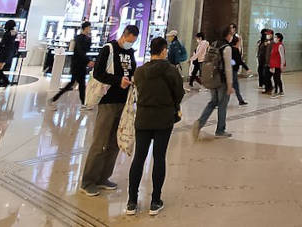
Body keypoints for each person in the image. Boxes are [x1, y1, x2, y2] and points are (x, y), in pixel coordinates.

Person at [126, 36, 184, 217]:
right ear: (164, 50)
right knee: (159, 158)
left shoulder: (140, 71)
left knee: (139, 158)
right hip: (163, 119)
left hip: (143, 118)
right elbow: (179, 93)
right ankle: (155, 200)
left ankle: (131, 202)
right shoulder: (171, 71)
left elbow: (137, 91)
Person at [80, 24, 138, 197]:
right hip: (108, 101)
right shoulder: (109, 49)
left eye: (133, 42)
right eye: (130, 40)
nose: (130, 43)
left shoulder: (130, 53)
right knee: (100, 142)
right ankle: (88, 181)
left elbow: (131, 71)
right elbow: (98, 73)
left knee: (114, 142)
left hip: (124, 103)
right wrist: (117, 80)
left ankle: (103, 177)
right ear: (124, 35)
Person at [192, 26, 234, 140]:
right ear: (228, 35)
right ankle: (220, 130)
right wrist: (230, 85)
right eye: (232, 34)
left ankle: (199, 123)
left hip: (212, 77)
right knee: (222, 105)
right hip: (222, 80)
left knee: (213, 102)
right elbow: (228, 67)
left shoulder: (214, 44)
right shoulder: (226, 47)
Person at [51, 22, 93, 105]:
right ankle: (54, 99)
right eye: (89, 27)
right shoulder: (78, 38)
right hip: (77, 64)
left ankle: (83, 103)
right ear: (86, 28)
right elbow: (80, 52)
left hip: (81, 64)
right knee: (77, 84)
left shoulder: (86, 38)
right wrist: (88, 61)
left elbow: (86, 49)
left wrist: (90, 38)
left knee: (79, 84)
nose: (90, 29)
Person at [0, 19, 18, 94]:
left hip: (3, 53)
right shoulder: (14, 33)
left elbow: (3, 43)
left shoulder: (7, 33)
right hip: (8, 53)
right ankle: (3, 82)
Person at [229, 36, 249, 105]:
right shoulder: (235, 50)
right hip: (233, 70)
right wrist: (247, 68)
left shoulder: (230, 48)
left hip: (231, 69)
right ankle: (221, 102)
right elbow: (239, 61)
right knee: (231, 86)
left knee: (235, 86)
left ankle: (240, 100)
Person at [269, 32, 286, 98]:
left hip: (278, 65)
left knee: (277, 78)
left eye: (275, 37)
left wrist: (282, 65)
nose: (274, 38)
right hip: (273, 64)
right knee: (275, 78)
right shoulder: (274, 45)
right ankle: (280, 91)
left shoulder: (280, 45)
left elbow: (282, 56)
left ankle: (277, 91)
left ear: (279, 38)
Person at [257, 29, 274, 93]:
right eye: (267, 34)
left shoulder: (272, 43)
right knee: (265, 75)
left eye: (269, 34)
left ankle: (270, 88)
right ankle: (268, 88)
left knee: (267, 76)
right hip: (264, 61)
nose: (267, 35)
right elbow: (261, 50)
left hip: (269, 62)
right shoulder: (264, 42)